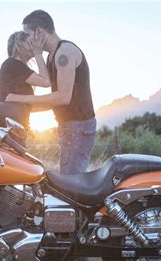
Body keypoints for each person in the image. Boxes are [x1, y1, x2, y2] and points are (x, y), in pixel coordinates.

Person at [6, 10, 96, 175]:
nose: (26, 39)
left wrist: (18, 98)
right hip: (69, 126)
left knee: (71, 184)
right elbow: (52, 98)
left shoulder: (64, 52)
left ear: (39, 32)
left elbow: (63, 97)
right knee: (68, 179)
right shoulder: (51, 56)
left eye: (27, 34)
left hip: (78, 127)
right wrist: (21, 107)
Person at [0, 31, 51, 145]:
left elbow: (24, 105)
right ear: (20, 43)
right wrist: (38, 54)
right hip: (10, 133)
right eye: (30, 42)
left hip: (14, 131)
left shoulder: (15, 67)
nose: (33, 45)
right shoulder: (13, 64)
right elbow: (46, 82)